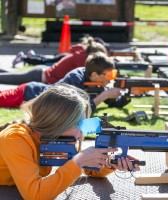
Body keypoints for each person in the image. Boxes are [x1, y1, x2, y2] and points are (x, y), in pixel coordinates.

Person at [0, 83, 140, 200]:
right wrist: (77, 162)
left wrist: (110, 162)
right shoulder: (15, 140)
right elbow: (36, 195)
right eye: (78, 125)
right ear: (57, 123)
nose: (82, 133)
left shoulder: (54, 137)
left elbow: (89, 170)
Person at [0, 52, 142, 110]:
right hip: (28, 93)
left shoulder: (98, 84)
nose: (112, 77)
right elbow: (76, 110)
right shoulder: (75, 78)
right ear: (94, 74)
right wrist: (103, 96)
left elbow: (114, 104)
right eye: (109, 74)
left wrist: (129, 94)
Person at [0, 36, 107, 85]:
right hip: (39, 76)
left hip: (41, 73)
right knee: (5, 79)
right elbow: (88, 77)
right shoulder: (82, 58)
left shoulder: (82, 54)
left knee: (11, 76)